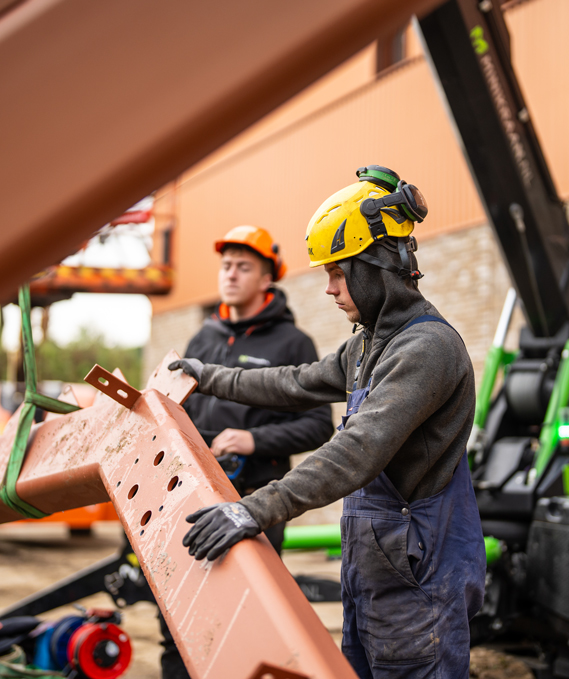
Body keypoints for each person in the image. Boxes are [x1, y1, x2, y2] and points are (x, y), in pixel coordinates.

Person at [170, 166, 485, 678]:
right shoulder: (368, 343)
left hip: (419, 578)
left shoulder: (426, 348)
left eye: (339, 273)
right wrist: (207, 376)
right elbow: (294, 382)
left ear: (374, 267)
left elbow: (358, 450)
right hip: (376, 569)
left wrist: (255, 509)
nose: (330, 289)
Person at [159, 224, 333, 679]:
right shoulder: (203, 339)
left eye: (243, 267)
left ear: (267, 278)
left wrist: (253, 440)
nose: (231, 274)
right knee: (176, 619)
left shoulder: (292, 343)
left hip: (254, 500)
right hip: (193, 494)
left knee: (241, 617)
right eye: (226, 266)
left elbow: (319, 425)